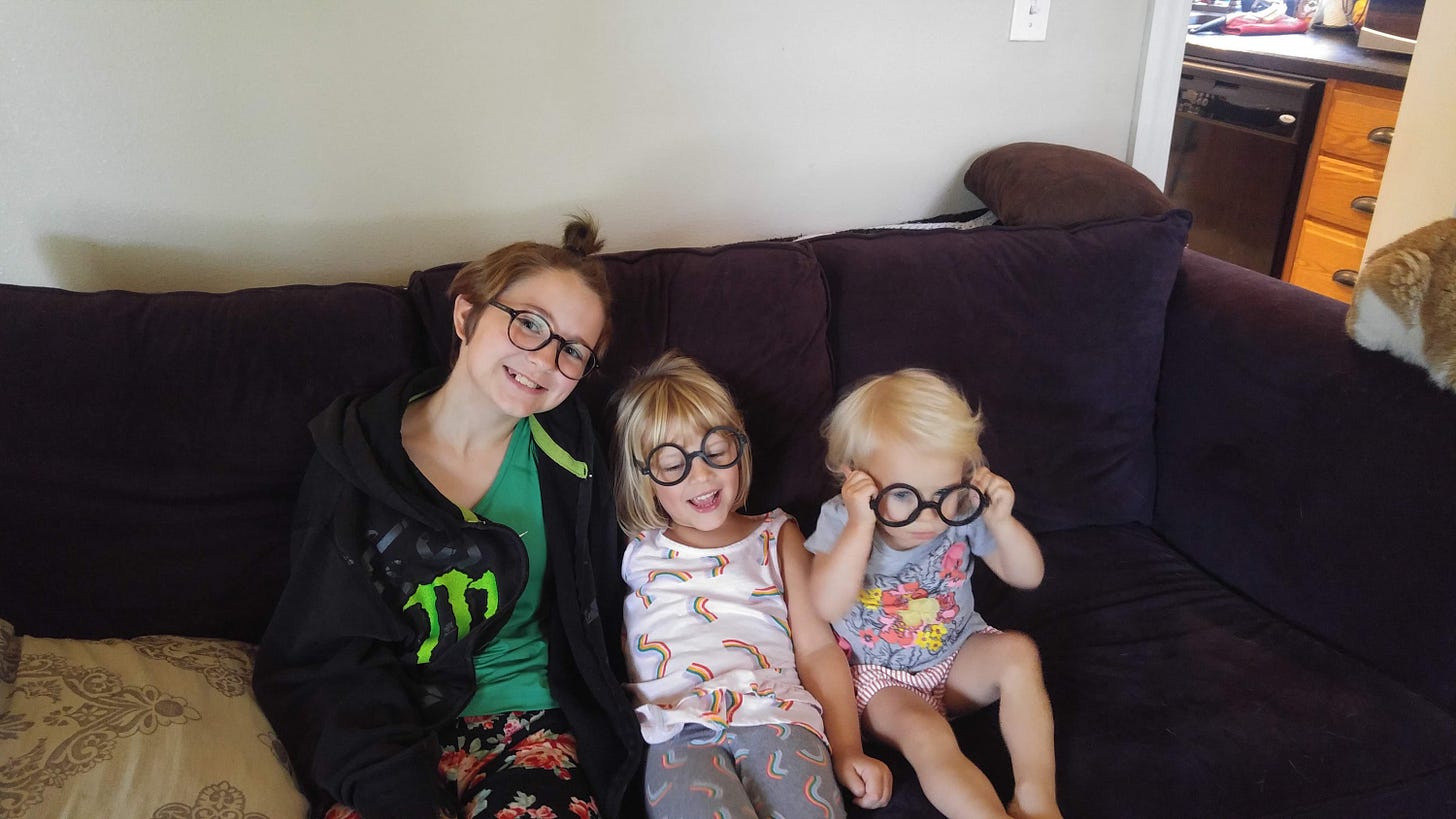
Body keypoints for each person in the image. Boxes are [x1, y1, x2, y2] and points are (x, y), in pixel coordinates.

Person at [253, 216, 643, 819]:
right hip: (388, 732)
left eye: (572, 350)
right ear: (466, 316)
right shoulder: (354, 457)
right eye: (529, 323)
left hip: (533, 725)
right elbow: (322, 653)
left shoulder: (573, 456)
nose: (544, 359)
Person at [611, 352, 891, 818]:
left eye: (716, 451)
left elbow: (818, 649)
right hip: (676, 726)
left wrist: (847, 749)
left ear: (739, 445)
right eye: (672, 463)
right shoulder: (637, 547)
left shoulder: (778, 534)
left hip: (779, 713)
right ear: (645, 478)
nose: (701, 474)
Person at [805, 368, 1062, 819]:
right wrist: (861, 525)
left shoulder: (960, 510)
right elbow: (826, 604)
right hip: (882, 682)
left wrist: (1002, 522)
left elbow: (1028, 576)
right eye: (904, 495)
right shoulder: (842, 521)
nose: (928, 517)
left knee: (1019, 654)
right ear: (856, 480)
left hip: (958, 654)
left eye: (942, 492)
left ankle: (1036, 799)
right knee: (929, 737)